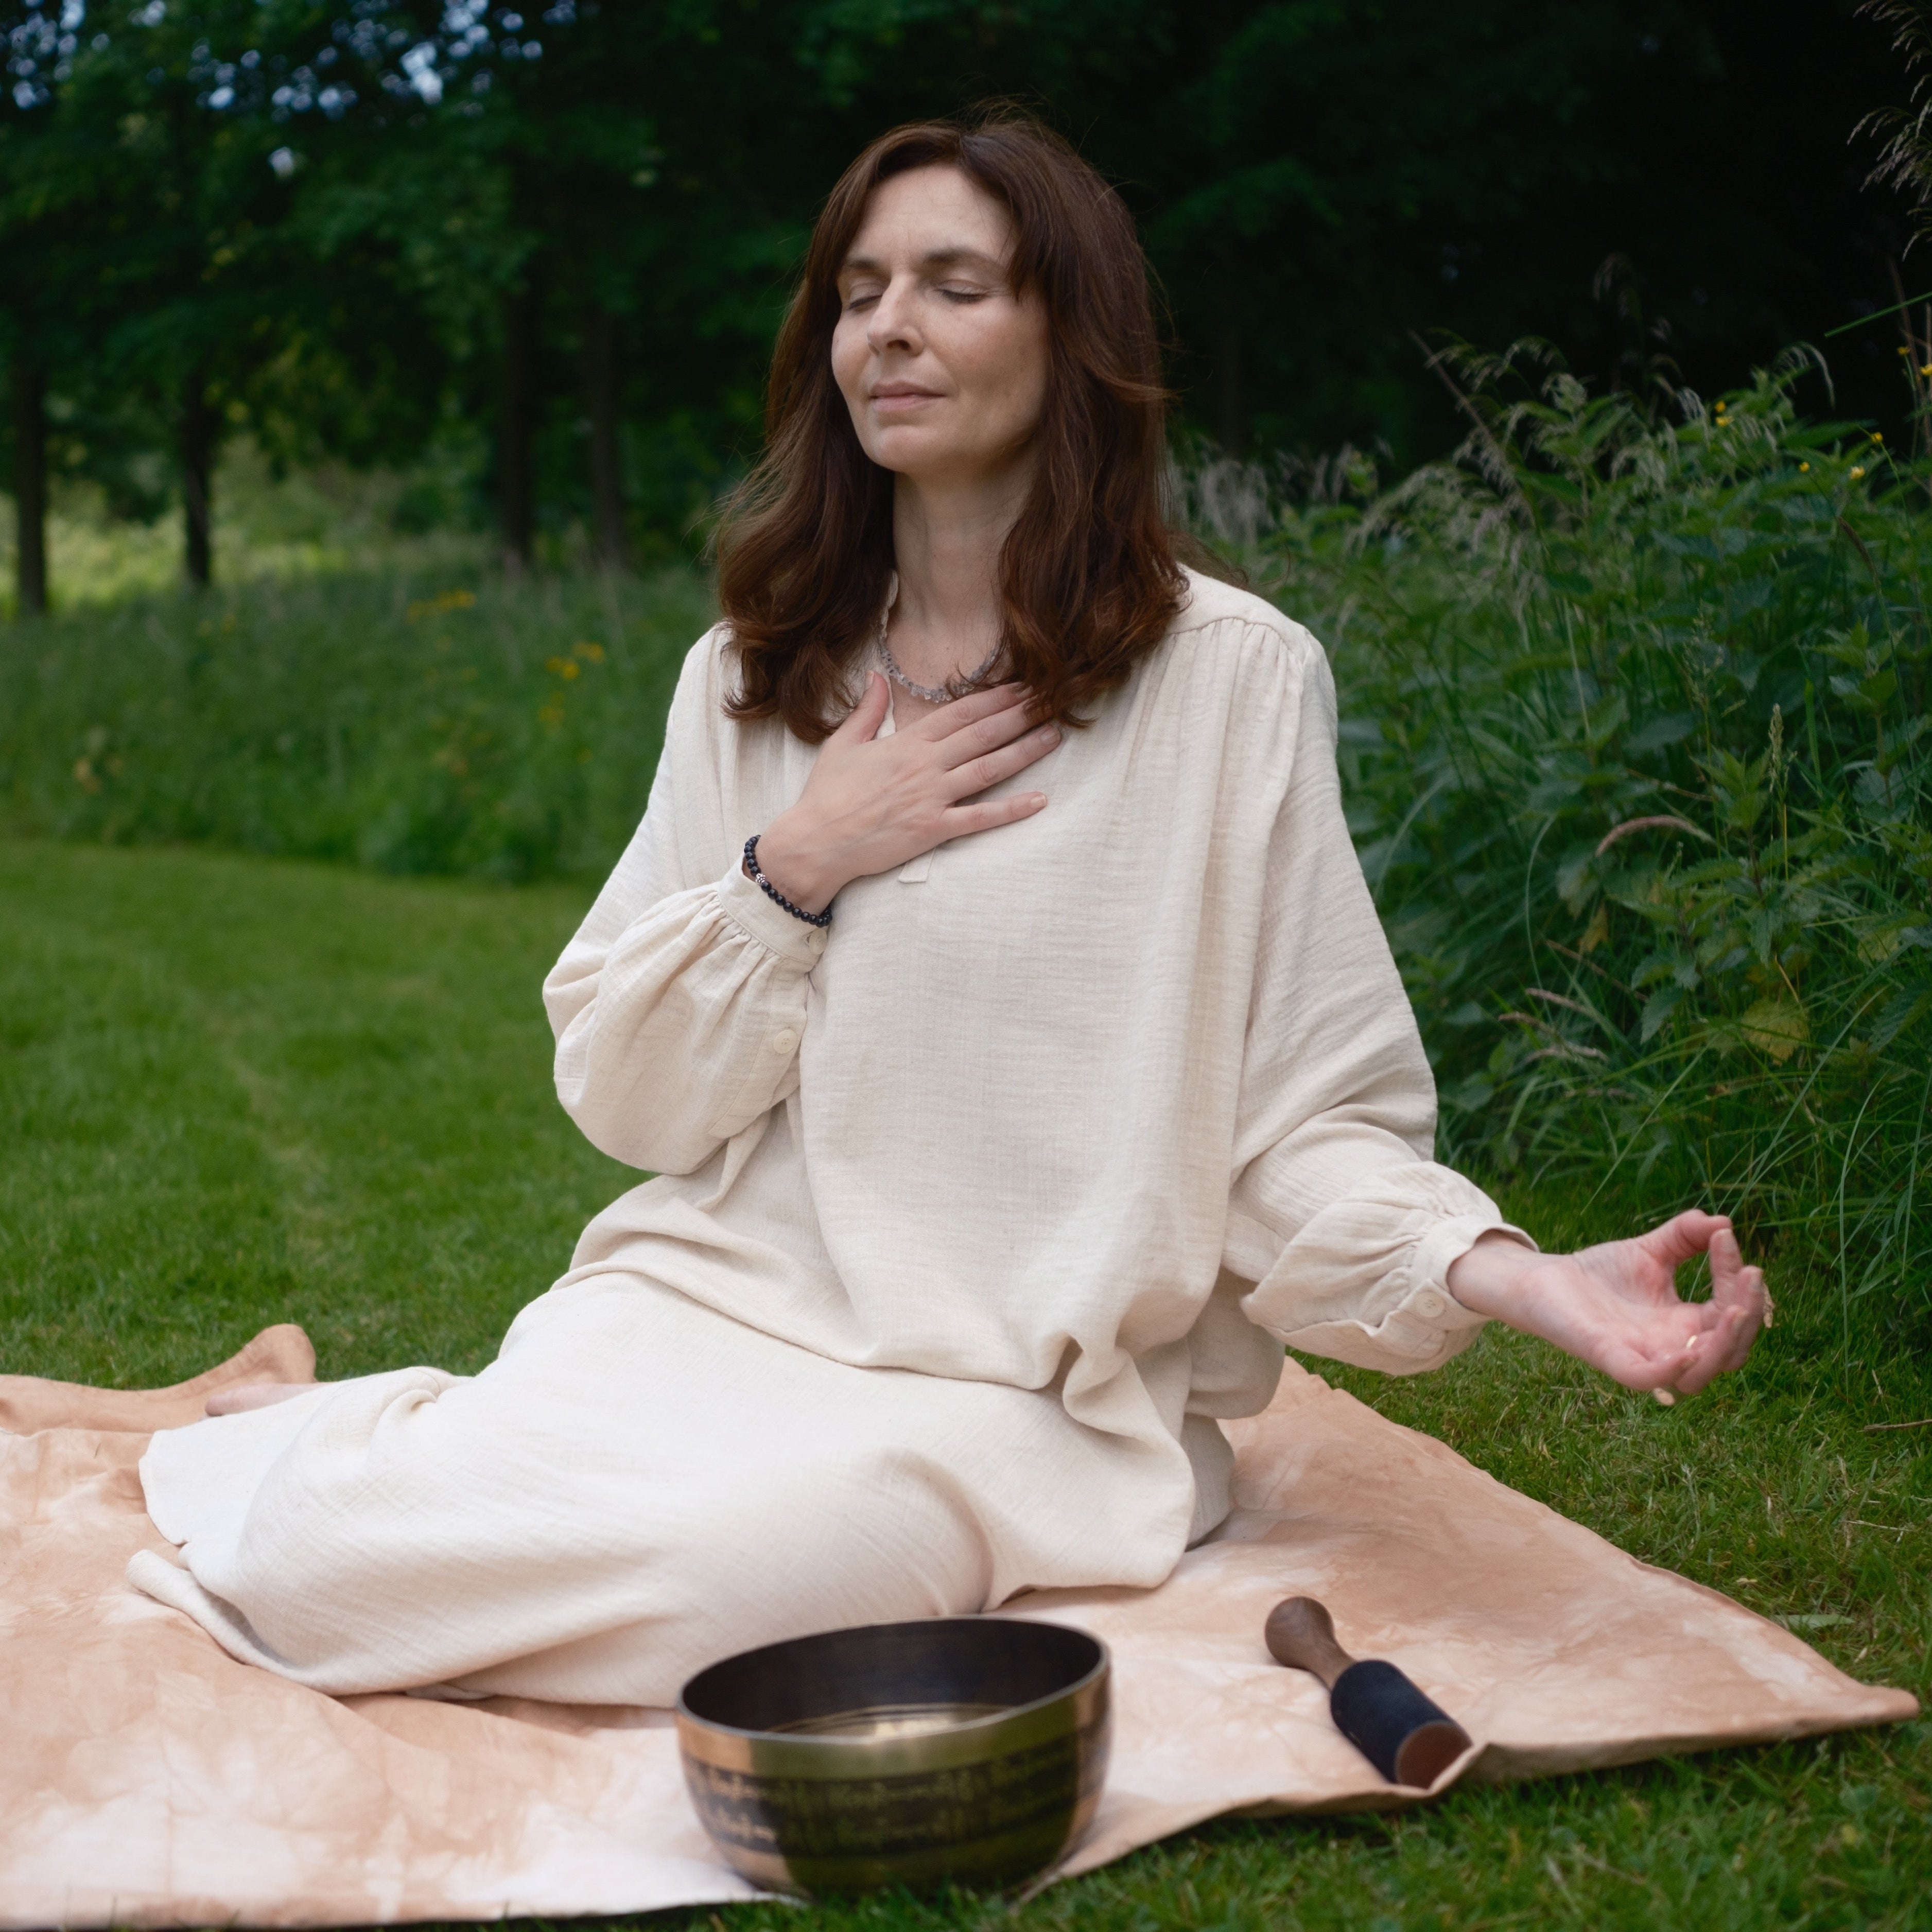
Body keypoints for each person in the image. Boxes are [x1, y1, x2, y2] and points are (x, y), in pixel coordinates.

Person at [130, 112, 1766, 1707]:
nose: (886, 329)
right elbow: (626, 1092)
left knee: (729, 1596)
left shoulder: (1228, 681)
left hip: (1012, 1393)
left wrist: (1514, 1272)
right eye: (856, 291)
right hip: (703, 1306)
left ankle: (476, 1499)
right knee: (313, 1552)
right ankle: (326, 1460)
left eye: (952, 285)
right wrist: (800, 863)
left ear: (1072, 333)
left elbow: (1291, 1123)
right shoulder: (747, 679)